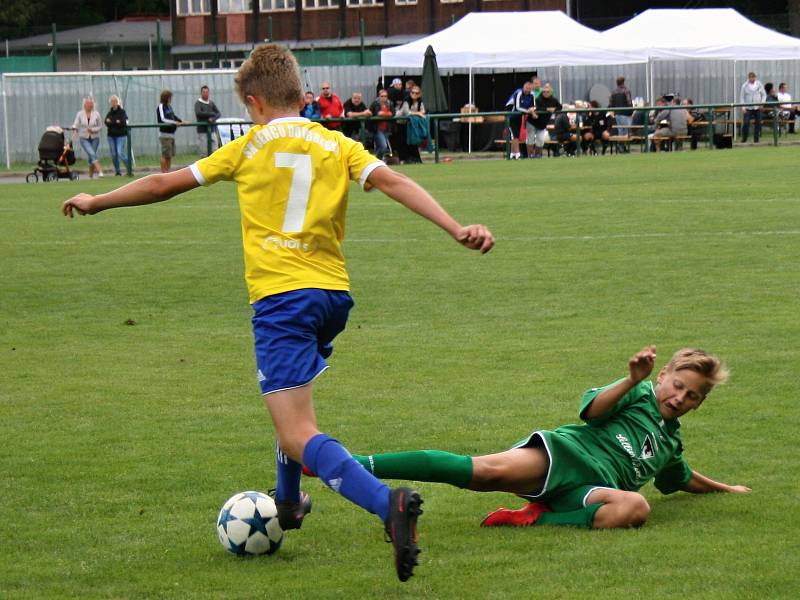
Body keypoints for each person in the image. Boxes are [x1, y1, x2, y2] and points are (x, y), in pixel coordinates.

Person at [61, 44, 495, 582]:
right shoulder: (336, 142)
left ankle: (389, 505)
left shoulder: (246, 146)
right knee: (287, 403)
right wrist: (455, 227)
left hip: (281, 300)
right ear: (303, 95)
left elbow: (162, 184)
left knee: (295, 432)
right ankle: (288, 505)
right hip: (332, 296)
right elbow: (395, 182)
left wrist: (98, 199)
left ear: (255, 101)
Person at [322, 346, 751, 530]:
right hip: (565, 457)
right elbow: (591, 410)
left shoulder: (671, 444)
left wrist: (726, 488)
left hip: (590, 492)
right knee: (480, 471)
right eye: (678, 385)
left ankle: (532, 518)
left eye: (692, 396)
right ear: (664, 376)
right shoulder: (637, 392)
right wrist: (629, 378)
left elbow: (682, 479)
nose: (680, 398)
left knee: (635, 507)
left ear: (698, 405)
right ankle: (350, 463)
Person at [72, 96, 104, 178]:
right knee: (92, 153)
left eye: (91, 104)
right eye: (88, 104)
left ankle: (90, 176)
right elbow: (76, 123)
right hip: (84, 138)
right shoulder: (80, 114)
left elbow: (100, 126)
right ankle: (100, 171)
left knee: (91, 157)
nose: (89, 105)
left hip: (95, 138)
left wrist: (93, 129)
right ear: (84, 105)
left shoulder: (96, 114)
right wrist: (74, 129)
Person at [529, 83, 561, 159]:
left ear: (550, 92)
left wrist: (554, 109)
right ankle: (530, 156)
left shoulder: (553, 99)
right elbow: (536, 108)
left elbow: (560, 106)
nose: (545, 93)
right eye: (544, 91)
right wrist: (547, 109)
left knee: (540, 140)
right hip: (532, 121)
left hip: (542, 123)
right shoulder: (538, 99)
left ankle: (538, 156)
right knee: (530, 139)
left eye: (547, 91)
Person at [397, 85, 427, 164]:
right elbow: (407, 113)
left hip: (411, 124)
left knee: (413, 140)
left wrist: (419, 113)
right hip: (401, 123)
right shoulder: (406, 101)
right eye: (412, 92)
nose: (414, 94)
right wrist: (418, 113)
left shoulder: (420, 102)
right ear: (410, 93)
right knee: (403, 142)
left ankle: (415, 159)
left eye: (416, 93)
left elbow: (423, 111)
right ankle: (404, 159)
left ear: (419, 94)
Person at [506, 80, 536, 160]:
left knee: (516, 135)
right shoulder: (518, 93)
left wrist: (532, 110)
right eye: (526, 87)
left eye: (529, 88)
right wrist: (528, 111)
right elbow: (517, 107)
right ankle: (518, 154)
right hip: (511, 115)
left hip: (519, 116)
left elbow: (534, 106)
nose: (528, 90)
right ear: (523, 87)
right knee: (515, 135)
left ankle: (512, 154)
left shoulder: (532, 95)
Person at [157, 89, 183, 173]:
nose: (171, 99)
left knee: (170, 155)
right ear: (166, 97)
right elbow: (163, 119)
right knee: (165, 155)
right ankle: (163, 172)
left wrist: (180, 121)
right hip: (165, 135)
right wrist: (175, 123)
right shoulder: (161, 106)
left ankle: (168, 172)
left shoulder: (169, 107)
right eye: (170, 97)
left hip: (172, 134)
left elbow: (173, 116)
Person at [104, 95, 130, 176]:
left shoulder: (122, 112)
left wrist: (112, 122)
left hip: (121, 135)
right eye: (112, 101)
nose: (113, 103)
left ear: (118, 102)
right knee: (114, 154)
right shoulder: (109, 113)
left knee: (120, 153)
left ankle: (129, 168)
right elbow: (106, 122)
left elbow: (123, 122)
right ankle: (117, 171)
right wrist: (116, 122)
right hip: (111, 136)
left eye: (115, 101)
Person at [195, 85, 222, 158]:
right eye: (204, 92)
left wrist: (212, 119)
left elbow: (218, 113)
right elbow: (199, 113)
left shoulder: (211, 103)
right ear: (201, 93)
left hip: (212, 130)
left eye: (207, 92)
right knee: (204, 152)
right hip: (202, 131)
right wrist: (211, 114)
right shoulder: (198, 103)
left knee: (215, 150)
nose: (205, 94)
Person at [369, 89, 395, 160]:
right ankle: (376, 159)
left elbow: (393, 113)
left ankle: (376, 161)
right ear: (379, 96)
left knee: (381, 147)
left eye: (385, 96)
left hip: (387, 128)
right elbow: (374, 113)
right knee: (383, 146)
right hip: (377, 129)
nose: (384, 98)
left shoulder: (390, 103)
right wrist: (387, 114)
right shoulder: (375, 104)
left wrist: (383, 114)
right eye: (382, 96)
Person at [740, 72, 766, 143]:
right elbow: (742, 97)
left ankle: (756, 140)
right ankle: (744, 138)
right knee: (746, 122)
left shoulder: (759, 85)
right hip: (748, 108)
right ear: (748, 78)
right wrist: (743, 107)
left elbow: (764, 95)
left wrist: (762, 104)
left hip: (757, 107)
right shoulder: (744, 86)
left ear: (755, 77)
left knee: (758, 123)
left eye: (753, 77)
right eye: (751, 77)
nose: (752, 79)